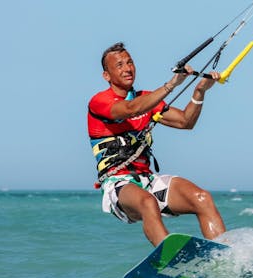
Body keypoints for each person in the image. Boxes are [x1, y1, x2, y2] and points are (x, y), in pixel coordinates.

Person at [88, 42, 226, 246]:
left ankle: (226, 260)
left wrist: (200, 92)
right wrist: (171, 84)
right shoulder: (100, 102)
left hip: (148, 180)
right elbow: (130, 109)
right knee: (147, 202)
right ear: (106, 76)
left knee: (201, 198)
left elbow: (185, 122)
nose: (127, 68)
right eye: (119, 65)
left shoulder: (146, 99)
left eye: (130, 62)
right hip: (117, 185)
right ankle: (170, 262)